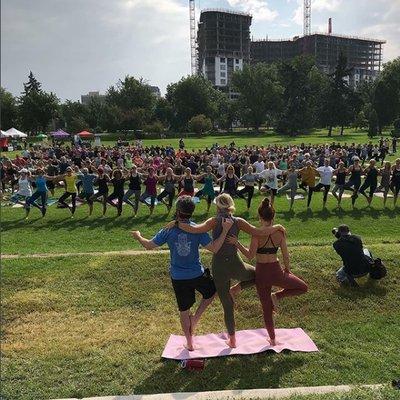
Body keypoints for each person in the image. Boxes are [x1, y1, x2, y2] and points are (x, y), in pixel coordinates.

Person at [168, 193, 284, 348]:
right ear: (231, 205)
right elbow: (259, 232)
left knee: (227, 306)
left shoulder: (213, 221)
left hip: (219, 268)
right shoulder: (238, 221)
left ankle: (233, 340)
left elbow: (194, 230)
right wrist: (277, 226)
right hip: (237, 266)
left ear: (217, 206)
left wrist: (176, 223)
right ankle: (236, 289)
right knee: (259, 275)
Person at [131, 196, 233, 351]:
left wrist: (138, 235)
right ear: (191, 212)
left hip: (178, 278)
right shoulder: (197, 229)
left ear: (178, 211)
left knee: (184, 310)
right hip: (197, 275)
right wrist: (225, 231)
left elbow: (148, 245)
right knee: (212, 292)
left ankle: (190, 343)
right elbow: (214, 248)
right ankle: (196, 319)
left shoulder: (168, 230)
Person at [227, 198, 308, 346]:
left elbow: (250, 256)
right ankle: (277, 296)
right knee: (303, 287)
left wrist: (237, 243)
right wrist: (287, 269)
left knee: (266, 308)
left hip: (262, 274)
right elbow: (285, 254)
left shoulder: (257, 234)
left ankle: (272, 339)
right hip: (277, 271)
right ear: (273, 217)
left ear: (260, 217)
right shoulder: (280, 232)